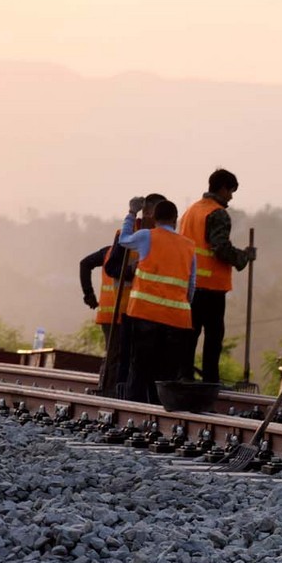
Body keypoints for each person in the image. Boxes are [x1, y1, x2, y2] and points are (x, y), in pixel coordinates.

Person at [105, 199, 197, 403]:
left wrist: (131, 212)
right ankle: (161, 412)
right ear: (175, 220)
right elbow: (191, 285)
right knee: (166, 374)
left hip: (145, 315)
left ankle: (136, 413)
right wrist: (182, 304)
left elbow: (124, 240)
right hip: (178, 320)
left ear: (154, 218)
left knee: (140, 368)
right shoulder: (189, 246)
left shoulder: (147, 237)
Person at [80, 193, 166, 393]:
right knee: (116, 357)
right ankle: (109, 396)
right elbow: (111, 268)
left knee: (133, 359)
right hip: (118, 310)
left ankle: (127, 395)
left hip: (141, 311)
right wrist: (131, 271)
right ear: (148, 212)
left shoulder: (156, 238)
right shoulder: (125, 235)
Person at [177, 169, 256, 383]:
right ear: (222, 188)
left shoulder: (190, 211)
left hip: (189, 285)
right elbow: (220, 247)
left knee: (189, 335)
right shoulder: (217, 213)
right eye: (231, 191)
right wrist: (244, 256)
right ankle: (210, 382)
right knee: (213, 338)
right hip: (211, 287)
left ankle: (184, 378)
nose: (231, 197)